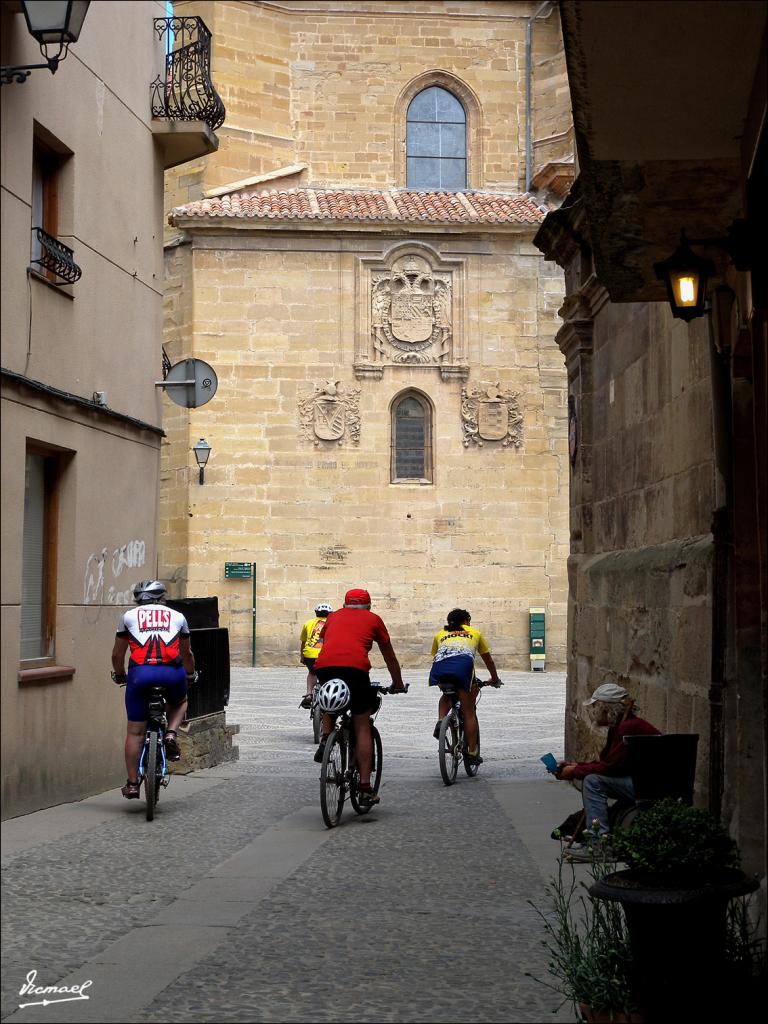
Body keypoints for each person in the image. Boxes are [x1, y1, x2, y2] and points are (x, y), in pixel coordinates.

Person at [312, 588, 405, 803]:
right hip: (356, 670)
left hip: (325, 668)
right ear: (369, 606)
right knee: (362, 724)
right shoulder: (373, 619)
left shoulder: (333, 616)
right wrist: (397, 683)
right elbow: (389, 654)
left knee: (330, 701)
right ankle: (364, 787)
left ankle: (326, 737)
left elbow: (328, 643)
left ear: (345, 605)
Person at [555, 682, 661, 860]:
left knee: (593, 781)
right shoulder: (621, 726)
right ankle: (597, 838)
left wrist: (575, 772)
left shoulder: (628, 727)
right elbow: (607, 762)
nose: (594, 712)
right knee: (593, 778)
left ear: (606, 709)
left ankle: (599, 844)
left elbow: (611, 768)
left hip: (649, 785)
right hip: (644, 781)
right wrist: (576, 765)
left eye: (596, 707)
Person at [111, 580, 196, 799]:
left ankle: (131, 784)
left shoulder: (128, 617)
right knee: (180, 702)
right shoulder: (178, 617)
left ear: (138, 599)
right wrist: (190, 674)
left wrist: (120, 674)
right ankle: (170, 734)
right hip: (172, 673)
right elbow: (187, 653)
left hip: (140, 674)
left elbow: (117, 655)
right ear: (161, 597)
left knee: (134, 732)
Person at [429, 608, 501, 766]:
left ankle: (441, 721)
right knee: (468, 712)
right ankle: (472, 752)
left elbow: (436, 654)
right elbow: (488, 660)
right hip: (462, 671)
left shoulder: (439, 634)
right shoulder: (475, 633)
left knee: (447, 695)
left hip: (439, 671)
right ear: (467, 620)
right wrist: (494, 678)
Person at [298, 602, 333, 708]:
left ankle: (309, 694)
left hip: (310, 653)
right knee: (329, 675)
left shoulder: (308, 623)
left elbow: (303, 641)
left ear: (316, 613)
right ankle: (328, 696)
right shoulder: (332, 623)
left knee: (312, 673)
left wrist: (302, 656)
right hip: (326, 654)